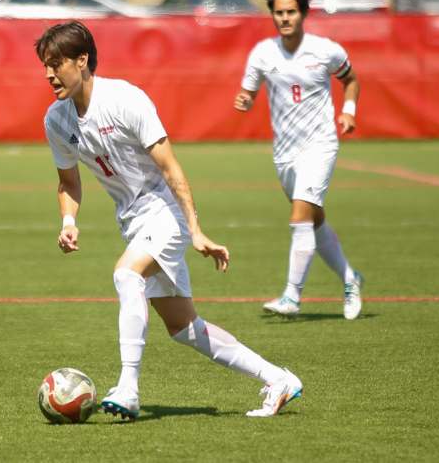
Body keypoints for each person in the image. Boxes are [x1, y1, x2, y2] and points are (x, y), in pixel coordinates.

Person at [37, 21, 302, 420]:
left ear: (83, 60)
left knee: (127, 275)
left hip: (165, 212)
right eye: (45, 65)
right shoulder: (57, 121)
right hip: (133, 220)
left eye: (56, 63)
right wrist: (68, 221)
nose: (48, 74)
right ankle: (278, 378)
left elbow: (172, 168)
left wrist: (194, 229)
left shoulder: (126, 100)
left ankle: (128, 387)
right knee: (184, 327)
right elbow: (67, 182)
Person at [233, 0, 364, 320]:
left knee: (300, 218)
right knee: (314, 221)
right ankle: (351, 279)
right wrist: (245, 100)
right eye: (279, 12)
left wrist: (348, 111)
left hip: (319, 145)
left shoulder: (325, 50)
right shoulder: (262, 53)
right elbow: (247, 92)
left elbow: (350, 80)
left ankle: (292, 296)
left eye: (291, 11)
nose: (285, 18)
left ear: (303, 13)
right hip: (285, 153)